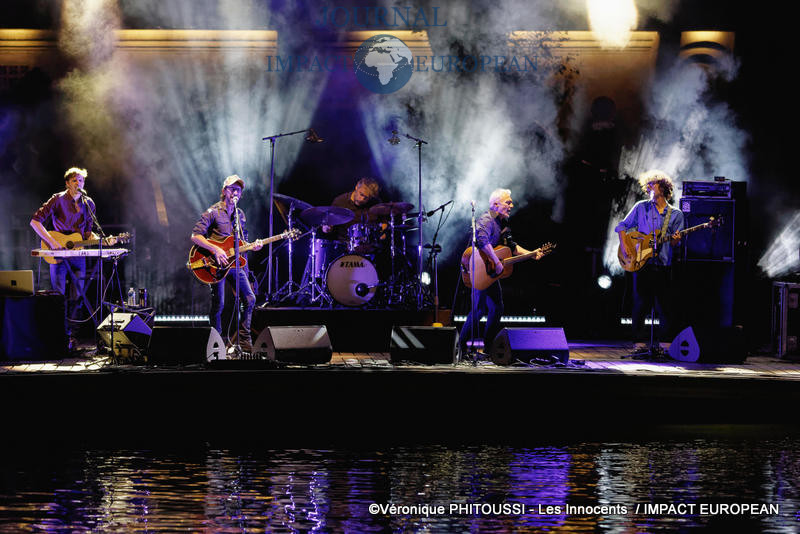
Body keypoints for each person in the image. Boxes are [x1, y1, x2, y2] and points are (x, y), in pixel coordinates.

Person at [30, 167, 116, 351]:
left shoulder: (88, 203)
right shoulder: (57, 199)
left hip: (77, 253)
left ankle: (72, 337)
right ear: (68, 183)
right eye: (75, 180)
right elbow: (35, 221)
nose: (79, 184)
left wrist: (105, 241)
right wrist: (52, 241)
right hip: (58, 251)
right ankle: (59, 336)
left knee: (78, 297)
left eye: (81, 181)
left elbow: (86, 233)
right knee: (59, 295)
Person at [460, 188, 541, 355]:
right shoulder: (487, 218)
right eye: (508, 202)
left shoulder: (503, 223)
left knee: (497, 307)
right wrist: (496, 261)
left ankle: (488, 347)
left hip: (489, 272)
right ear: (496, 204)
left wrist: (531, 254)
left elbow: (512, 246)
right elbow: (482, 240)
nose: (512, 205)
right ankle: (460, 347)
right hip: (479, 268)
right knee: (479, 310)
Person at [191, 175, 261, 355]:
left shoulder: (240, 215)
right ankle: (217, 342)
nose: (235, 192)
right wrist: (215, 249)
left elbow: (241, 243)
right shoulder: (212, 211)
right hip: (216, 265)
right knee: (219, 304)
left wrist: (253, 246)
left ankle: (245, 342)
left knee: (250, 299)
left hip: (235, 265)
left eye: (238, 190)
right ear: (224, 191)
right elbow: (195, 236)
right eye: (232, 189)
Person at [615, 170, 684, 349]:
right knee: (640, 304)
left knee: (664, 306)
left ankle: (666, 345)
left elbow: (677, 243)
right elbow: (622, 226)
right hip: (641, 263)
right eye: (648, 185)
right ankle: (638, 343)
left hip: (663, 264)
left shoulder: (676, 214)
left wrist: (676, 240)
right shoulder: (641, 207)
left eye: (652, 184)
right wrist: (624, 246)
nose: (648, 187)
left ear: (663, 187)